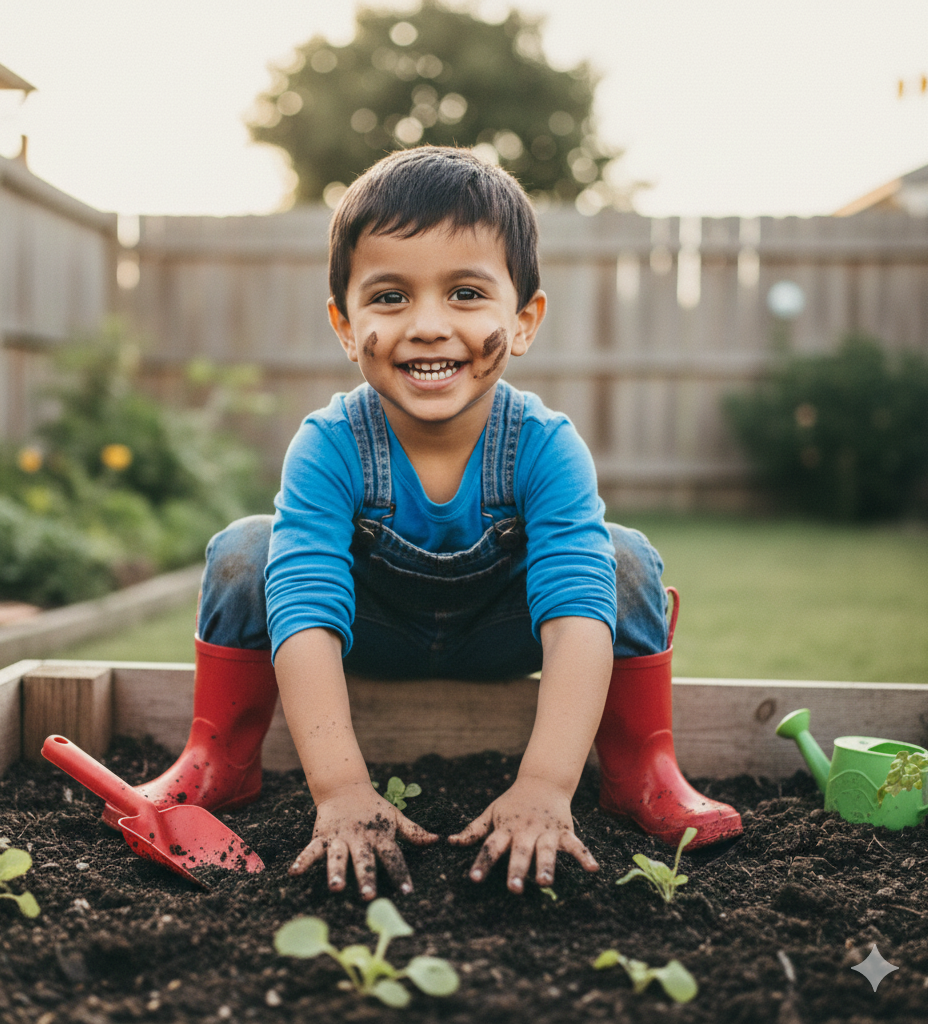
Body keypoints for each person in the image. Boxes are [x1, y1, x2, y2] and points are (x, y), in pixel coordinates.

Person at [103, 146, 742, 899]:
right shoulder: (329, 444)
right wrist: (340, 790)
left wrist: (542, 784)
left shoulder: (545, 446)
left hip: (502, 635)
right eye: (391, 297)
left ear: (524, 319)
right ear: (345, 325)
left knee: (623, 559)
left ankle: (640, 771)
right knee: (249, 548)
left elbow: (574, 616)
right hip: (373, 634)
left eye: (467, 293)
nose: (429, 325)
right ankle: (223, 758)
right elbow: (305, 609)